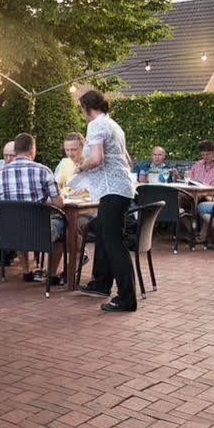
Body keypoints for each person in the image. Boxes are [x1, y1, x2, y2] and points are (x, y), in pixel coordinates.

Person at [73, 88, 138, 312]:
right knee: (102, 232)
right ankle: (101, 282)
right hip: (120, 188)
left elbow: (97, 158)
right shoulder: (114, 125)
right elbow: (127, 160)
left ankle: (126, 298)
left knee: (114, 243)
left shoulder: (96, 124)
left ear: (86, 108)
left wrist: (81, 167)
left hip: (112, 189)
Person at [0, 133, 65, 282]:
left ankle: (26, 271)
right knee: (63, 226)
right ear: (32, 149)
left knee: (18, 219)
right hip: (40, 232)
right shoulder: (43, 171)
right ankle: (52, 274)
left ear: (15, 150)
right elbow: (59, 203)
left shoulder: (0, 174)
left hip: (9, 232)